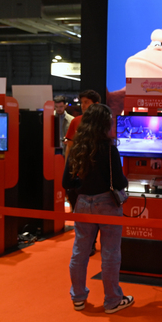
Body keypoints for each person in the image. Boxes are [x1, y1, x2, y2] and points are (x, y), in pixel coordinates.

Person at [62, 103, 134, 314]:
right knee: (110, 253)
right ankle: (112, 300)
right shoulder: (109, 148)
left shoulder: (77, 148)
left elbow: (66, 181)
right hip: (107, 204)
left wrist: (81, 188)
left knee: (80, 251)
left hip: (83, 203)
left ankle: (78, 297)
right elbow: (119, 182)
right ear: (105, 123)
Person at [64, 89, 101, 255]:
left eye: (87, 102)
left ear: (96, 104)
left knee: (95, 212)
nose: (84, 106)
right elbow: (69, 148)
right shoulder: (76, 122)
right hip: (78, 173)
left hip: (96, 175)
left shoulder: (103, 123)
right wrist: (68, 170)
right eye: (82, 102)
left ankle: (91, 242)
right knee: (79, 211)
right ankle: (85, 242)